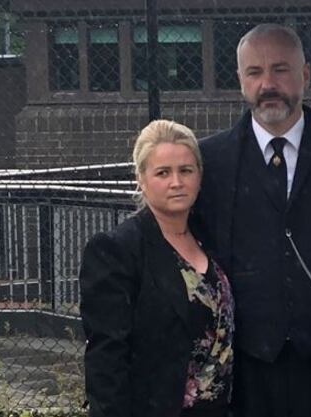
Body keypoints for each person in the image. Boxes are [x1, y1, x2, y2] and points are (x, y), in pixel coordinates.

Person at [191, 23, 311, 417]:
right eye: (255, 72)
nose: (268, 83)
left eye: (281, 69)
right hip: (246, 365)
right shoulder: (209, 161)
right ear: (240, 81)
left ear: (305, 75)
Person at [81, 120, 234, 417]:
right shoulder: (118, 250)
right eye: (163, 173)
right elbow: (106, 359)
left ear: (199, 177)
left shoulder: (211, 239)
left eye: (185, 171)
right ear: (141, 178)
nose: (176, 182)